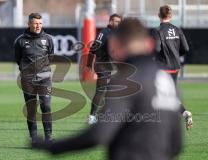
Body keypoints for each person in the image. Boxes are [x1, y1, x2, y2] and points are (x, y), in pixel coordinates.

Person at [32, 18, 183, 160]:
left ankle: (91, 115)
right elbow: (176, 144)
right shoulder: (165, 78)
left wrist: (52, 147)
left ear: (115, 45)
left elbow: (98, 135)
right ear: (150, 44)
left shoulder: (125, 80)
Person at [14, 13, 54, 142]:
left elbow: (51, 56)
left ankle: (48, 137)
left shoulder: (48, 39)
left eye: (40, 23)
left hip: (44, 77)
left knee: (46, 106)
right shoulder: (20, 40)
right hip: (28, 79)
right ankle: (34, 138)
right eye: (36, 23)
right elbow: (17, 59)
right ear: (29, 24)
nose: (38, 26)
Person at [152, 5, 192, 130]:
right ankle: (185, 113)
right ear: (171, 15)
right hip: (175, 66)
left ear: (159, 15)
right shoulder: (177, 29)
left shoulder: (157, 31)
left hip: (162, 66)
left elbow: (157, 48)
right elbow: (185, 48)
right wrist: (175, 54)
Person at [87, 13, 122, 125]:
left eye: (119, 22)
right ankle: (92, 117)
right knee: (101, 91)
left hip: (106, 65)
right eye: (116, 21)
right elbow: (95, 49)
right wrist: (89, 63)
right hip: (103, 65)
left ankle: (105, 115)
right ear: (110, 21)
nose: (118, 24)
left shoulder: (109, 33)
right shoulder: (106, 33)